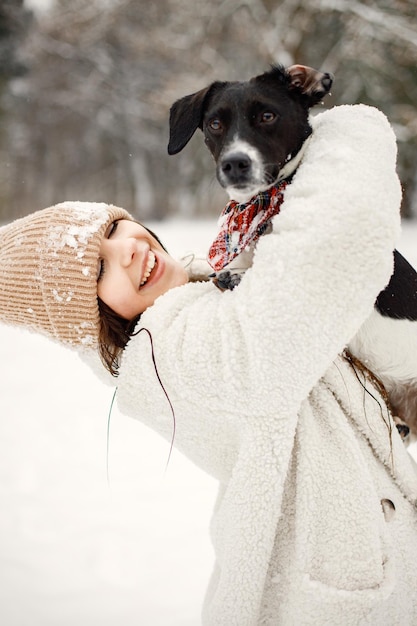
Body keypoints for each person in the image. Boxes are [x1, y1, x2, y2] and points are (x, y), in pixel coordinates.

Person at [0, 103, 416, 626]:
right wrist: (346, 127)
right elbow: (335, 245)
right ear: (89, 317)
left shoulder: (198, 294)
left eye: (113, 229)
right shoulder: (181, 358)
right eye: (97, 268)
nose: (125, 250)